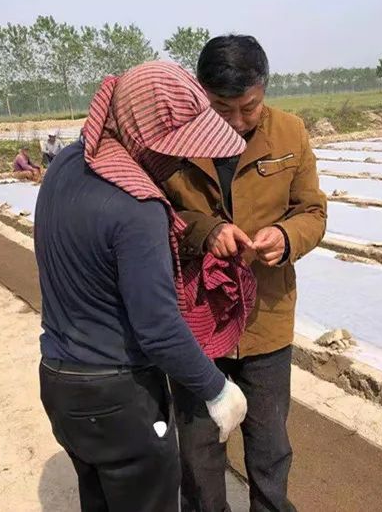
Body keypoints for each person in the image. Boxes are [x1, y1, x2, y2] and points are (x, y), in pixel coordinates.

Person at [35, 62, 250, 512]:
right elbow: (158, 329)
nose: (179, 161)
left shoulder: (67, 166)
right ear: (144, 137)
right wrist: (217, 389)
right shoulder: (138, 209)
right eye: (173, 149)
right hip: (118, 399)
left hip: (60, 382)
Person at [163, 35, 327, 512]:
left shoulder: (290, 133)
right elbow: (157, 213)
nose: (236, 121)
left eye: (249, 108)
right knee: (198, 447)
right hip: (198, 321)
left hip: (266, 319)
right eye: (222, 108)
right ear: (201, 93)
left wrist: (286, 236)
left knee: (270, 446)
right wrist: (205, 231)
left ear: (264, 89)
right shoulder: (173, 143)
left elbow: (312, 211)